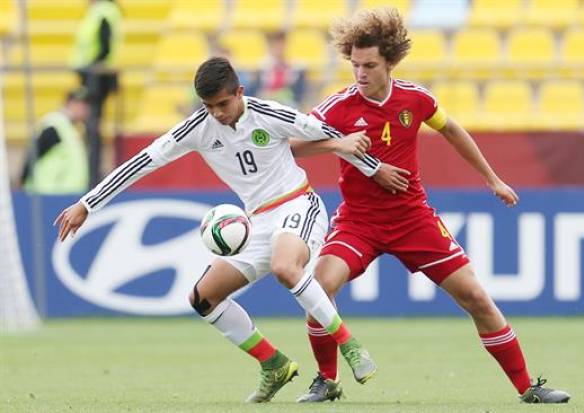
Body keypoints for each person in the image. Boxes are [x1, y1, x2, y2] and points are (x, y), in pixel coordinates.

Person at [54, 57, 407, 403]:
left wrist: (373, 167)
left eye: (223, 103)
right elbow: (143, 161)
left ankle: (350, 345)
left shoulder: (271, 113)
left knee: (286, 268)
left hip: (298, 204)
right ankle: (273, 364)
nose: (218, 113)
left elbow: (336, 138)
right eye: (209, 106)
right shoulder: (197, 128)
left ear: (239, 92)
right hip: (256, 222)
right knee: (203, 297)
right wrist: (88, 203)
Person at [290, 8, 570, 404]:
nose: (360, 73)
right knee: (319, 287)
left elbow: (452, 130)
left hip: (412, 219)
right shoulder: (337, 107)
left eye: (369, 65)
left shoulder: (415, 99)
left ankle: (528, 388)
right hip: (359, 221)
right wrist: (340, 145)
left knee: (475, 296)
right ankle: (326, 379)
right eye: (355, 64)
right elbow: (293, 144)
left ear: (390, 61)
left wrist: (492, 179)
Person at [70, 0, 122, 187]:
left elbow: (104, 46)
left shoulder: (102, 12)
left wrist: (92, 66)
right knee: (92, 126)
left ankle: (94, 173)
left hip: (96, 77)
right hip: (94, 75)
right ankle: (93, 171)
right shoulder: (102, 11)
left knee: (93, 126)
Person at [20, 88, 91, 194]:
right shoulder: (55, 125)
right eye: (83, 105)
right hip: (49, 195)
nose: (87, 110)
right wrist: (22, 180)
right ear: (71, 104)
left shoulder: (71, 128)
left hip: (66, 196)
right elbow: (34, 154)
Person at [254, 31, 306, 107]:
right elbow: (258, 89)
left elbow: (297, 91)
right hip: (267, 99)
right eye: (276, 46)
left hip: (288, 101)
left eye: (281, 46)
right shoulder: (263, 65)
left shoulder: (294, 65)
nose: (279, 49)